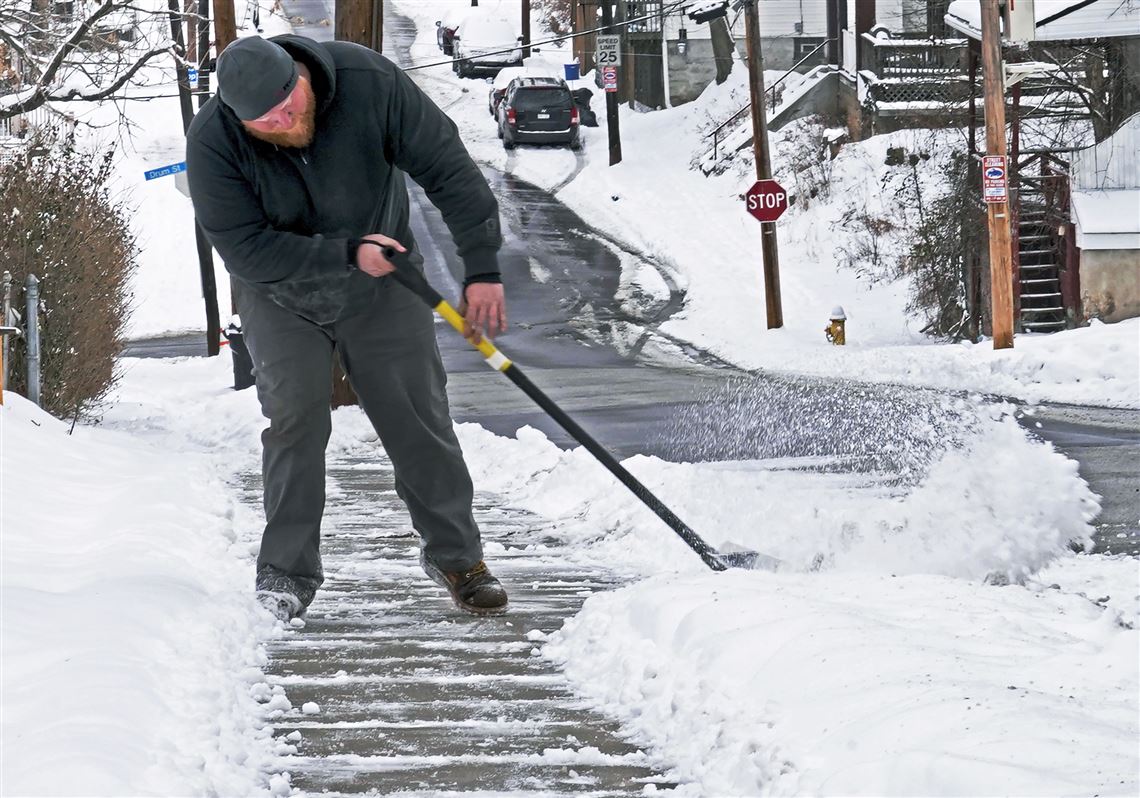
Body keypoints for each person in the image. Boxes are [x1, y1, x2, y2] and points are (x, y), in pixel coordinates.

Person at [186, 34, 509, 620]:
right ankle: (286, 573)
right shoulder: (213, 141)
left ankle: (459, 560)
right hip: (282, 294)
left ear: (300, 74)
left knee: (419, 417)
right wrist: (344, 252)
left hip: (384, 282)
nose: (284, 122)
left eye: (289, 104)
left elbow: (449, 169)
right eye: (266, 121)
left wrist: (482, 268)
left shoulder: (372, 84)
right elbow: (245, 250)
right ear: (237, 119)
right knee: (294, 422)